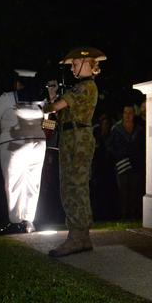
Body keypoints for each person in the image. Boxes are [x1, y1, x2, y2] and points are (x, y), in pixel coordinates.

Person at [44, 46, 105, 257]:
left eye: (75, 64)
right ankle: (81, 237)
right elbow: (56, 115)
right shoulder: (80, 87)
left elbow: (53, 108)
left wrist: (51, 99)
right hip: (72, 139)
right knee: (72, 186)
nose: (72, 69)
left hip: (78, 140)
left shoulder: (86, 87)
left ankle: (77, 236)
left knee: (74, 187)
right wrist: (52, 97)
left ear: (88, 63)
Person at [0, 69, 47, 235]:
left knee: (14, 184)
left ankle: (16, 221)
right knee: (32, 183)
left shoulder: (7, 98)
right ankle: (29, 221)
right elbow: (49, 121)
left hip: (13, 144)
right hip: (38, 142)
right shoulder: (40, 101)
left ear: (17, 82)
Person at [109, 104, 145, 220]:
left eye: (130, 113)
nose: (128, 115)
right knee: (123, 192)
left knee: (135, 191)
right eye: (126, 113)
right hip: (121, 164)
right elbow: (110, 146)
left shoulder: (139, 130)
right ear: (123, 114)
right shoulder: (116, 129)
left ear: (134, 114)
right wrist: (119, 156)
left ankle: (134, 215)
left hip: (136, 165)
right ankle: (124, 215)